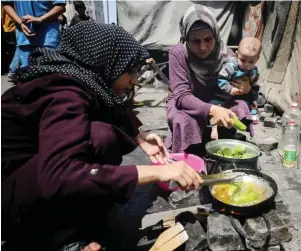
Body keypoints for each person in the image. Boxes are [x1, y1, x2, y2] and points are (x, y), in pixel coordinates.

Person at [1, 22, 203, 251]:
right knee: (100, 137)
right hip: (9, 202)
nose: (135, 80)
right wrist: (156, 172)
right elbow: (57, 174)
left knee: (103, 133)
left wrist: (137, 136)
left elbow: (106, 113)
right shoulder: (64, 92)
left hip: (29, 182)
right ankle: (56, 236)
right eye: (129, 70)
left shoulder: (80, 77)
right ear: (106, 62)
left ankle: (79, 222)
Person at [165, 4, 254, 154]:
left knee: (240, 107)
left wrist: (246, 88)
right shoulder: (179, 53)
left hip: (217, 100)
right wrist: (212, 110)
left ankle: (220, 141)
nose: (203, 47)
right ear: (186, 37)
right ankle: (188, 152)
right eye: (195, 41)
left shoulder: (227, 55)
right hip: (189, 104)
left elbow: (240, 86)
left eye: (208, 39)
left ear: (216, 34)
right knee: (182, 119)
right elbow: (181, 96)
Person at [210, 36, 261, 140]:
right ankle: (213, 128)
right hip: (222, 94)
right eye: (243, 60)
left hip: (239, 96)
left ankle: (247, 121)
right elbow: (221, 78)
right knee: (215, 106)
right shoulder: (231, 66)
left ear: (257, 60)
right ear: (237, 54)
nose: (246, 65)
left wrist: (254, 98)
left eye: (251, 62)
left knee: (247, 105)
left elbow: (255, 85)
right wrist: (230, 89)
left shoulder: (254, 71)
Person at [2, 0, 66, 71]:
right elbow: (6, 4)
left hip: (48, 36)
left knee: (50, 70)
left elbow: (60, 6)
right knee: (26, 72)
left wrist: (40, 19)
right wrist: (20, 23)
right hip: (25, 36)